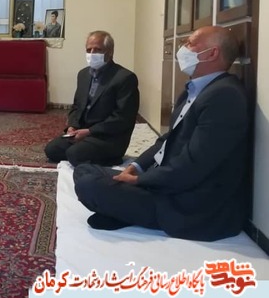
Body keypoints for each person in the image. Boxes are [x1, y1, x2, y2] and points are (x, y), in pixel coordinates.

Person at [73, 26, 249, 241]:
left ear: (212, 53)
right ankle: (128, 211)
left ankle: (131, 212)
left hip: (189, 204)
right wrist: (136, 167)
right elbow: (168, 139)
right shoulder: (196, 89)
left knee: (89, 185)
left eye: (190, 43)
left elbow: (193, 165)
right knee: (83, 170)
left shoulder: (224, 96)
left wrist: (141, 180)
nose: (183, 48)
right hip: (168, 183)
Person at [44, 30, 139, 166]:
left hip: (108, 137)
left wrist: (89, 132)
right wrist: (72, 126)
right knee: (51, 150)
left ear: (110, 52)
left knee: (74, 154)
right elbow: (77, 106)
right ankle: (85, 151)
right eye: (89, 50)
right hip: (82, 133)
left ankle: (111, 158)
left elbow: (123, 118)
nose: (92, 54)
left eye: (98, 50)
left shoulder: (125, 78)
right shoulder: (83, 74)